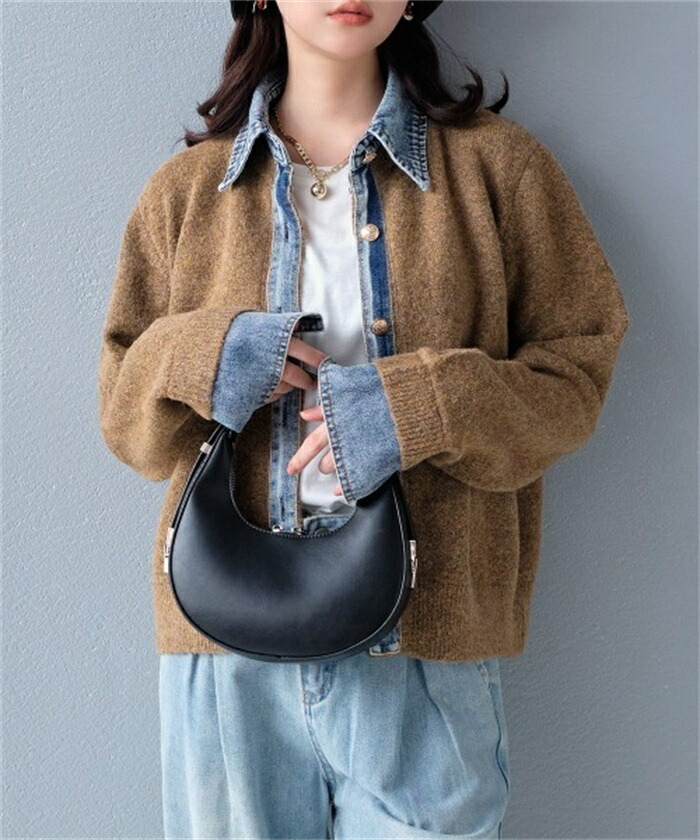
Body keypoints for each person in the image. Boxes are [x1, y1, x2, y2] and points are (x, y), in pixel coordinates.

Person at [97, 0, 631, 837]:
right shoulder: (187, 193)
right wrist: (209, 355)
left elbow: (574, 379)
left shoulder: (501, 171)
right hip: (226, 657)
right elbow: (128, 422)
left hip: (426, 652)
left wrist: (421, 403)